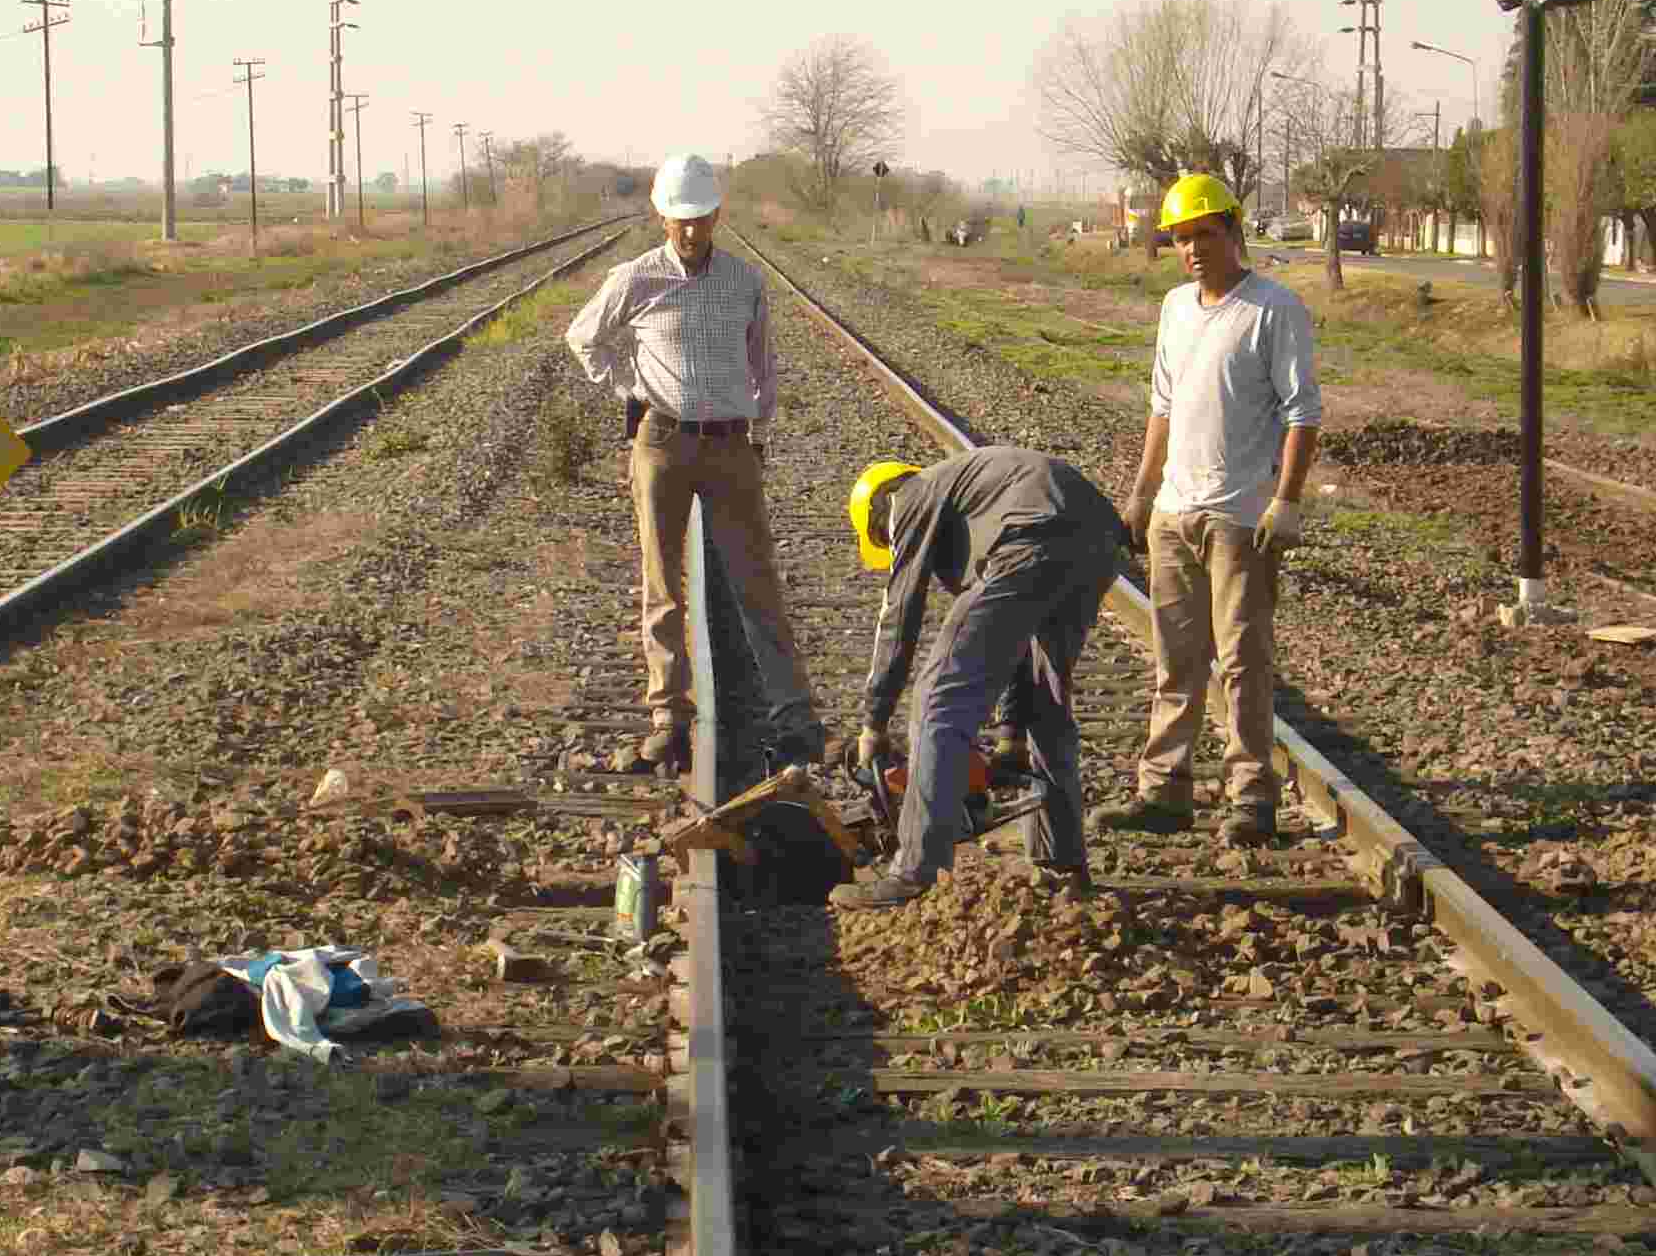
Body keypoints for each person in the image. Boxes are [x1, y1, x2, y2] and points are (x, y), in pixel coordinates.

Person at [564, 153, 822, 772]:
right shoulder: (635, 278)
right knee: (662, 583)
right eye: (679, 219)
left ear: (716, 215)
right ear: (660, 216)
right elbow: (584, 337)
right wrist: (631, 385)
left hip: (731, 445)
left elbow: (763, 365)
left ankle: (794, 713)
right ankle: (667, 716)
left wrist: (759, 427)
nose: (689, 230)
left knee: (756, 581)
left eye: (700, 218)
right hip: (662, 443)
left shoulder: (745, 282)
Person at [1100, 173, 1321, 848]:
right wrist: (1142, 492)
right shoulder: (1173, 308)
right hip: (1174, 512)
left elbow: (1302, 411)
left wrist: (1285, 500)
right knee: (1175, 660)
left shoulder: (1273, 309)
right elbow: (1162, 406)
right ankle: (1164, 790)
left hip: (1238, 519)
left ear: (1233, 231)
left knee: (1243, 661)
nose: (1192, 248)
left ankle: (1250, 795)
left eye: (1204, 233)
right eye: (1180, 238)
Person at [828, 448, 1129, 910]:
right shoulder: (973, 505)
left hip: (1033, 539)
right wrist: (1010, 734)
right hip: (1099, 539)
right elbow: (1013, 642)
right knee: (1047, 703)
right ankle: (1061, 861)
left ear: (878, 513)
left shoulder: (910, 496)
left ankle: (913, 873)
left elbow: (899, 615)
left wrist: (874, 722)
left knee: (937, 697)